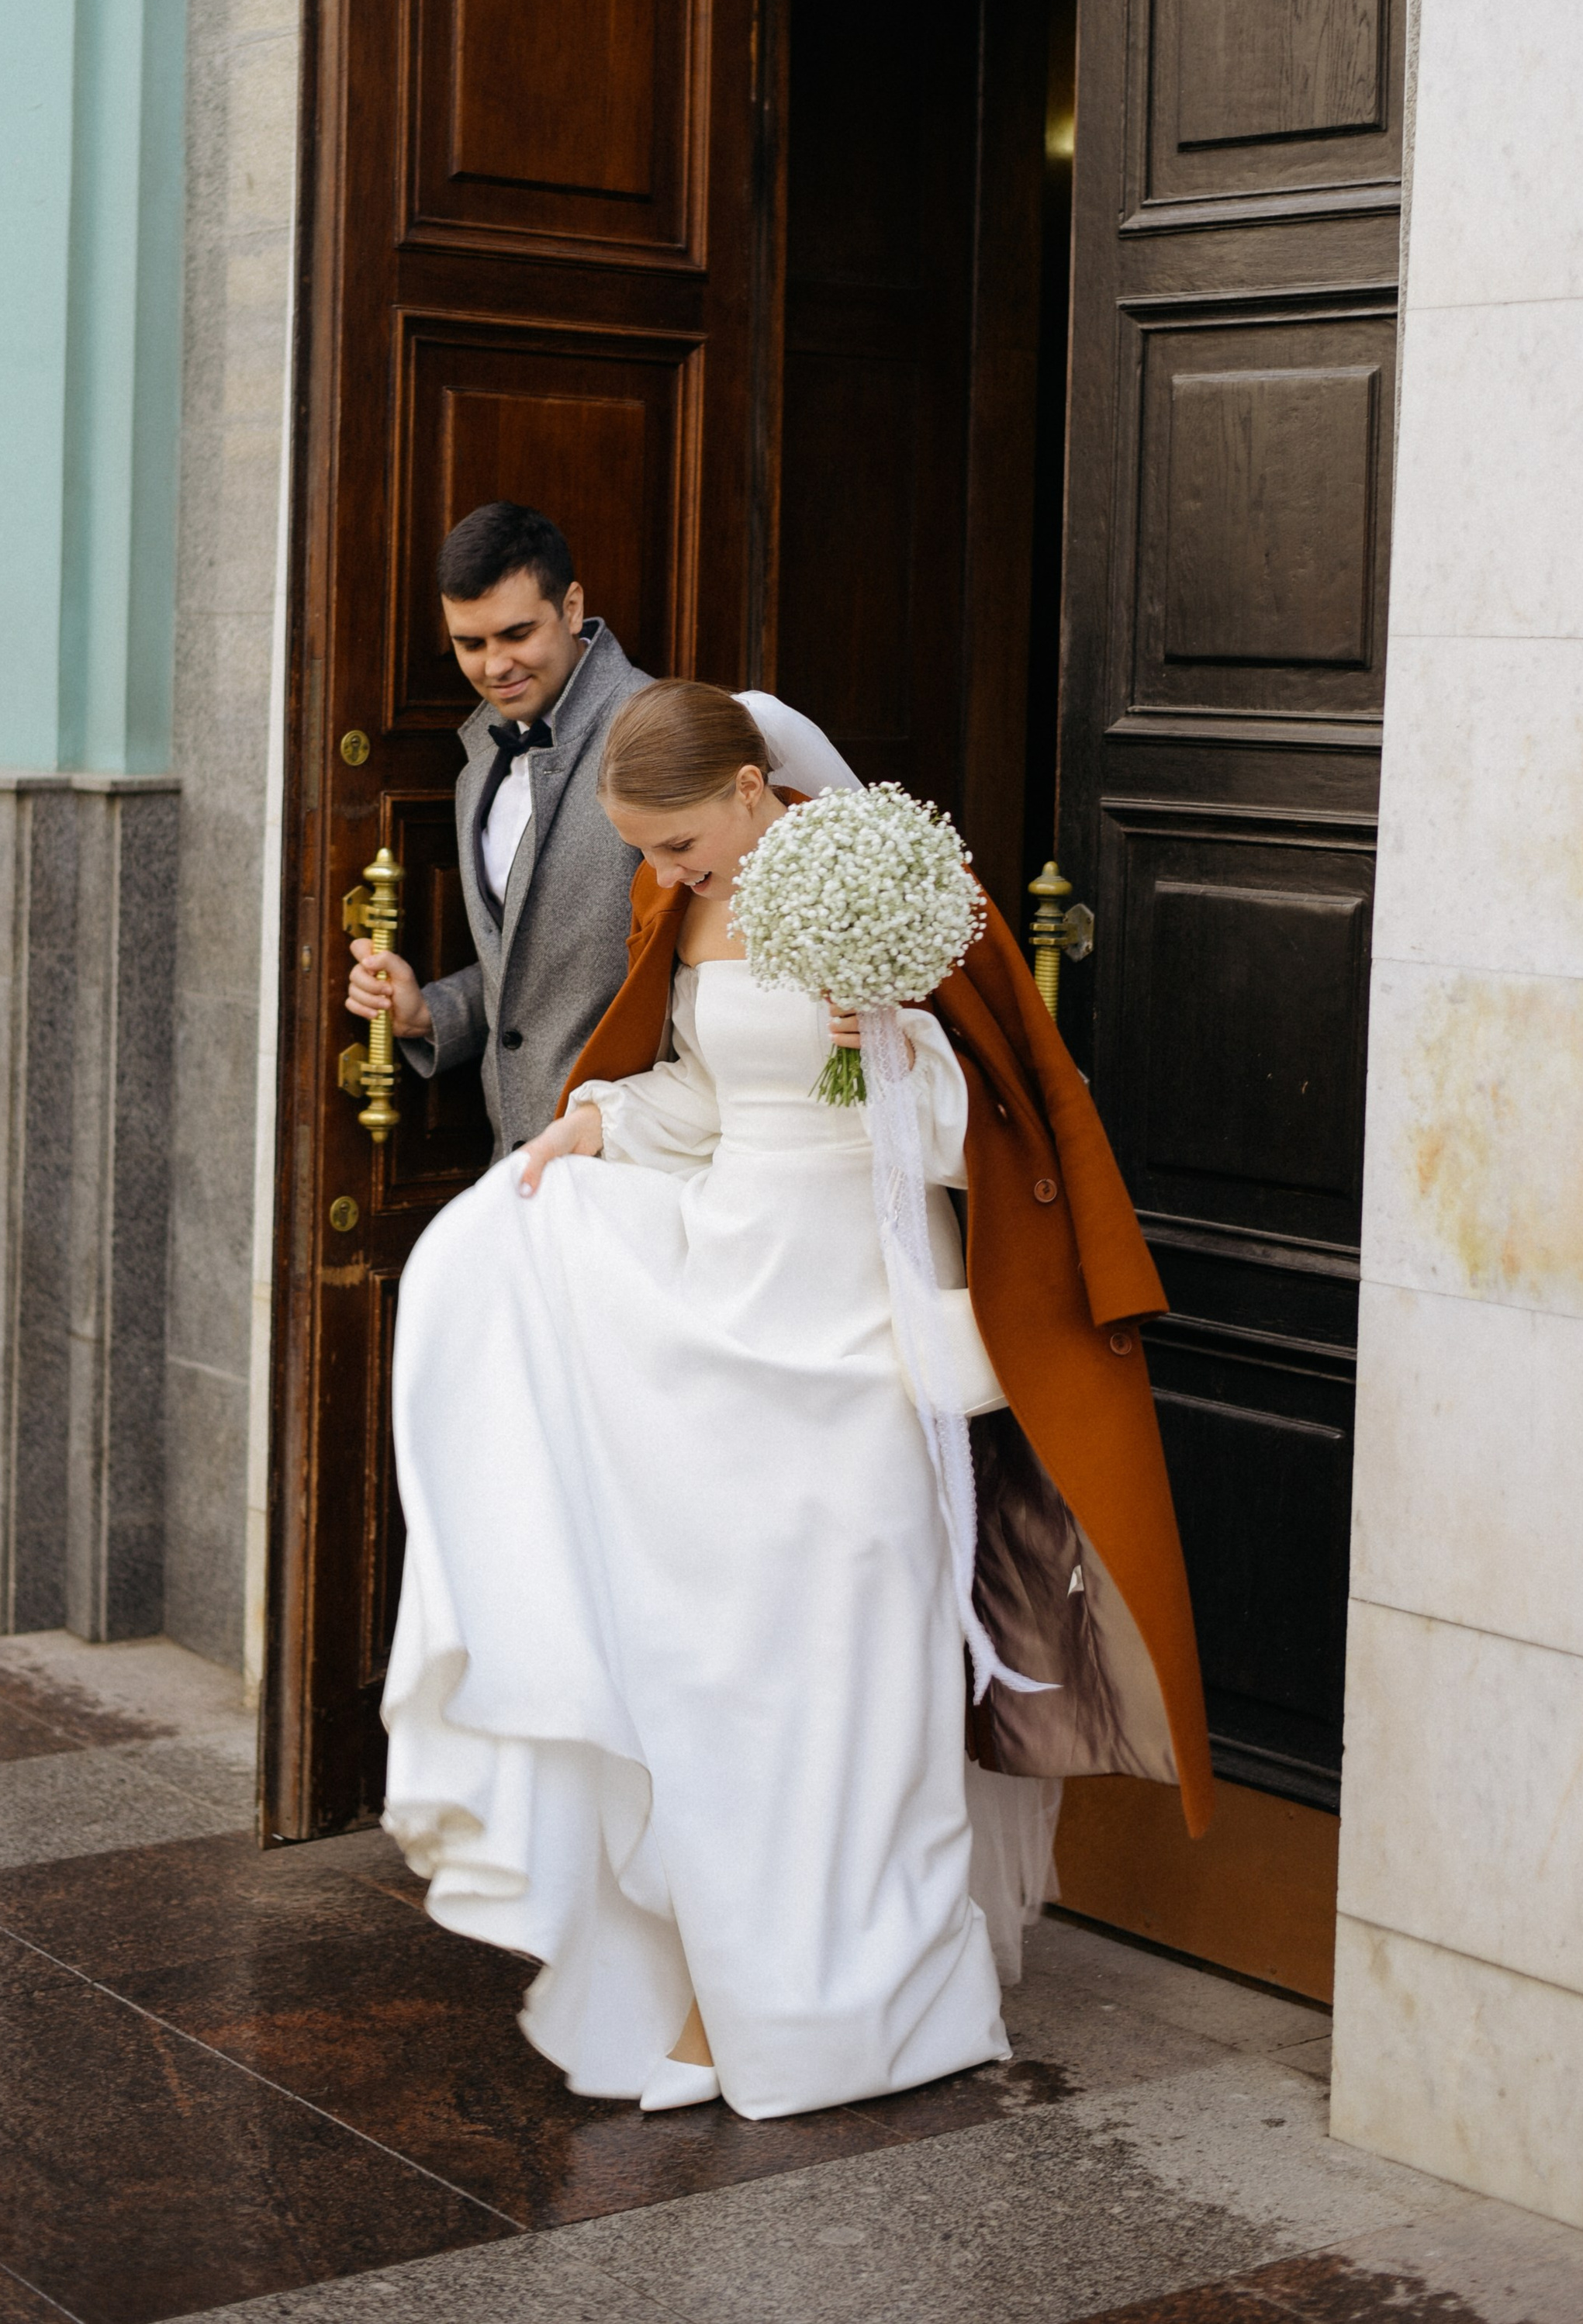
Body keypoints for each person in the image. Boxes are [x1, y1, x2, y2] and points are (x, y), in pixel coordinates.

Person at [380, 680, 1214, 2122]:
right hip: (729, 1287)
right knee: (725, 1652)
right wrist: (603, 1120)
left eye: (680, 847)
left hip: (861, 1309)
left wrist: (889, 1036)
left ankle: (864, 2004)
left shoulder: (897, 879)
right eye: (645, 855)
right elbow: (705, 1096)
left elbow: (983, 1139)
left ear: (756, 790)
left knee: (854, 1654)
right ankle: (728, 1978)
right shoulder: (686, 911)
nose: (663, 880)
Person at [348, 500, 857, 1155]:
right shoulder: (478, 766)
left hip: (653, 1148)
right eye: (469, 643)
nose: (494, 664)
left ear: (570, 606)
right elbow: (539, 970)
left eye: (515, 633)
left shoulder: (661, 739)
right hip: (531, 1154)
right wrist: (430, 1014)